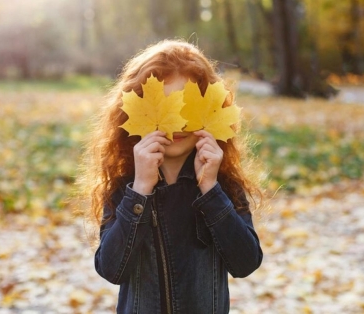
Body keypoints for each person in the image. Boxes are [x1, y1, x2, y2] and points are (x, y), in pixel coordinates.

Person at [79, 39, 264, 313]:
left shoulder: (221, 184)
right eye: (165, 107)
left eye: (187, 107)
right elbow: (111, 269)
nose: (176, 123)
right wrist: (140, 190)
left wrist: (211, 191)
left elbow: (245, 262)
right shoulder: (126, 186)